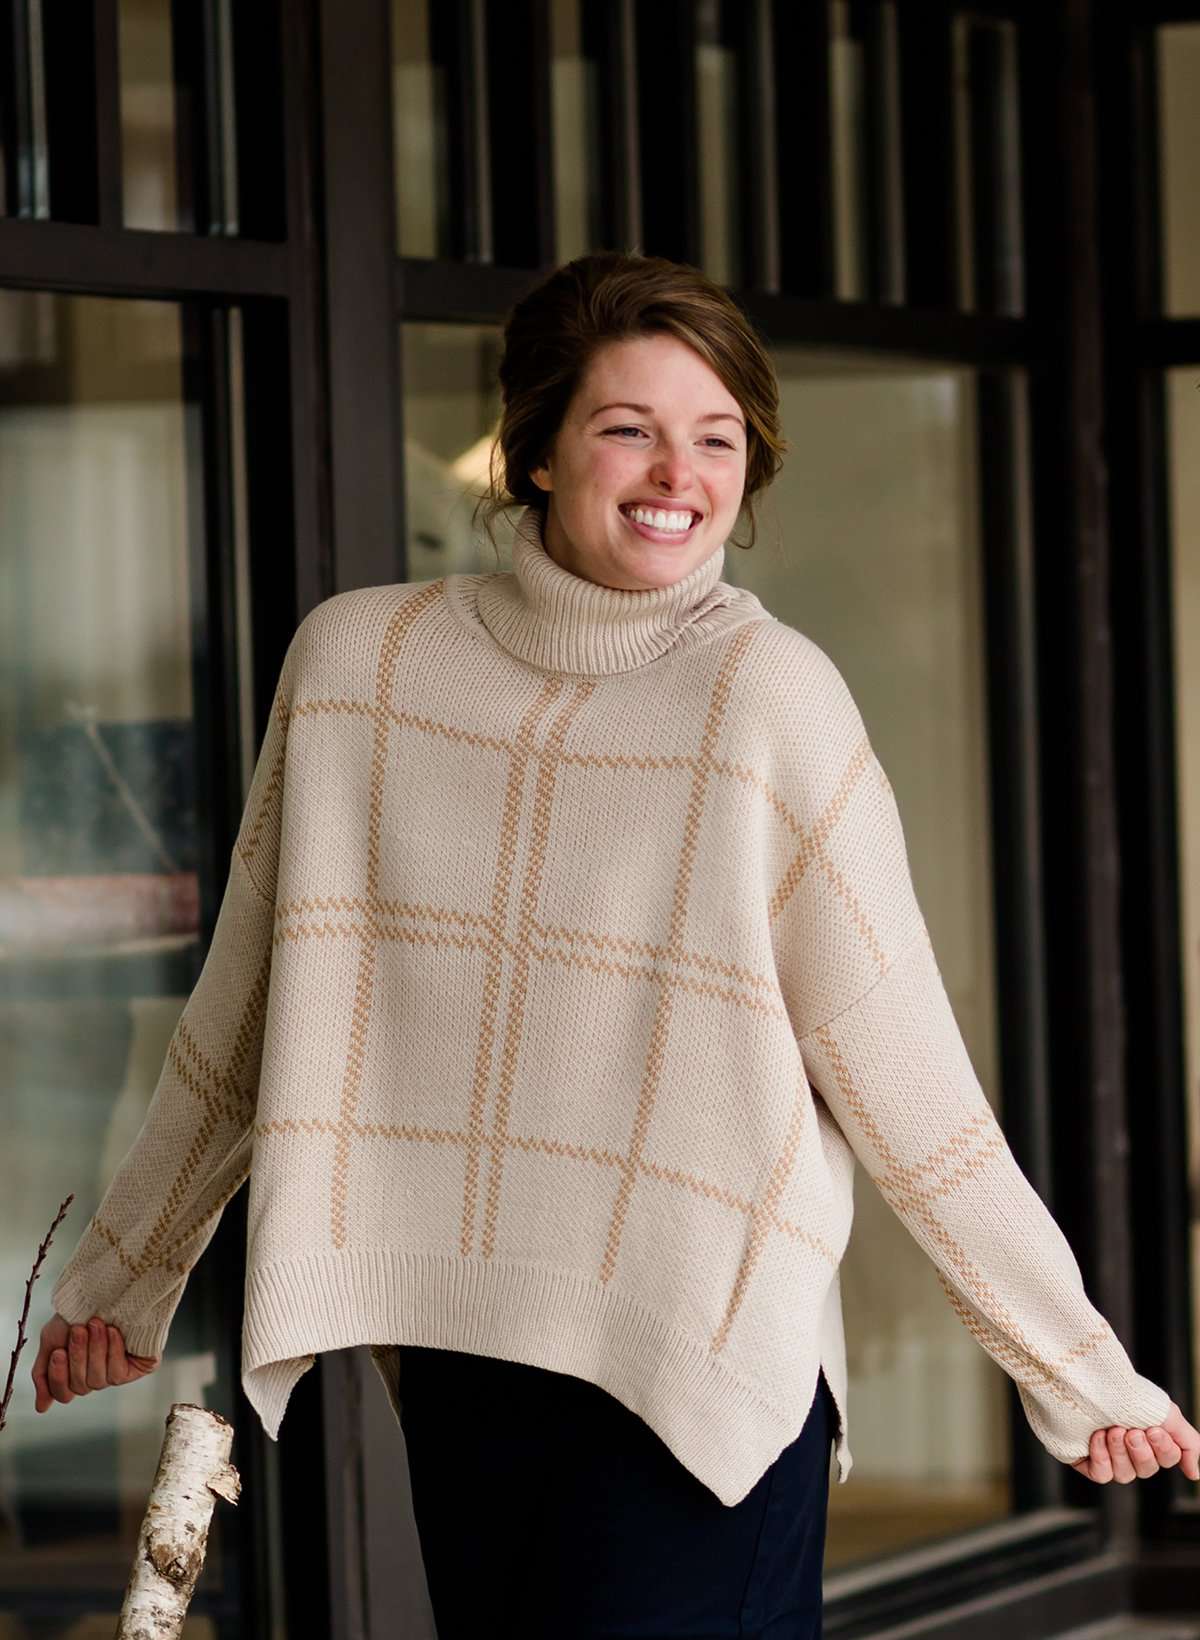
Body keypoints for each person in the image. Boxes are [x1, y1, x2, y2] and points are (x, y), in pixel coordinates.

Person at [33, 251, 1200, 1639]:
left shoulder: (769, 702)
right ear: (533, 451)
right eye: (627, 428)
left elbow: (907, 1078)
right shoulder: (363, 667)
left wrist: (1069, 1362)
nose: (677, 475)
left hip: (699, 1354)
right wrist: (127, 1270)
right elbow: (247, 1011)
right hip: (472, 1351)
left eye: (717, 440)